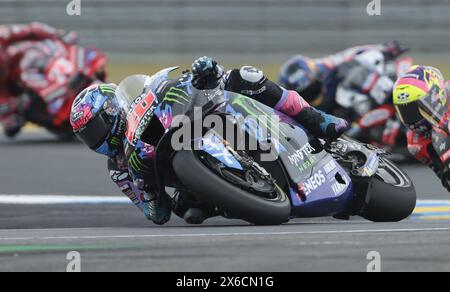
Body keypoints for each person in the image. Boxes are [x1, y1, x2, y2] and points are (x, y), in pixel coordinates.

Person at [70, 57, 350, 225]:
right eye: (87, 136)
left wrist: (205, 73)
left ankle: (316, 118)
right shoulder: (118, 168)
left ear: (113, 110)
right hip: (196, 187)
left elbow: (187, 82)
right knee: (188, 211)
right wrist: (149, 193)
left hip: (208, 119)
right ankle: (240, 194)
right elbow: (155, 214)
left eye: (95, 128)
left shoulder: (148, 98)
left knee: (244, 77)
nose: (95, 139)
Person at [279, 41, 409, 113]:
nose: (312, 92)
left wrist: (385, 48)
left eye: (312, 86)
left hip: (368, 88)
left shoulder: (326, 65)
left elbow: (355, 52)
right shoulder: (305, 107)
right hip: (352, 111)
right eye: (307, 92)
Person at [0, 22, 78, 137]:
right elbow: (7, 120)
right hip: (16, 92)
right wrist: (14, 105)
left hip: (26, 61)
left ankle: (67, 71)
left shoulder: (2, 34)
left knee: (37, 49)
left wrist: (58, 34)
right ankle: (55, 118)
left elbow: (32, 29)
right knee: (12, 125)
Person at [393, 65, 450, 191]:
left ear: (436, 96)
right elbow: (445, 178)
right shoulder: (416, 143)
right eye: (404, 110)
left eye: (417, 107)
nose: (411, 116)